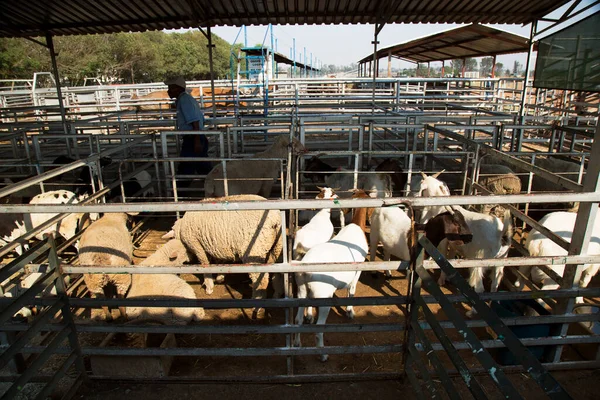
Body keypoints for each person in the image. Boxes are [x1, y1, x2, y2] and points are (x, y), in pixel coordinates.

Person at [164, 77, 212, 187]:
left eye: (171, 88)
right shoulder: (186, 99)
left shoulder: (184, 100)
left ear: (178, 88)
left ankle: (180, 192)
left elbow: (194, 120)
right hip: (196, 136)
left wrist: (196, 139)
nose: (168, 91)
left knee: (187, 166)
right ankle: (214, 186)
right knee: (202, 165)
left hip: (193, 137)